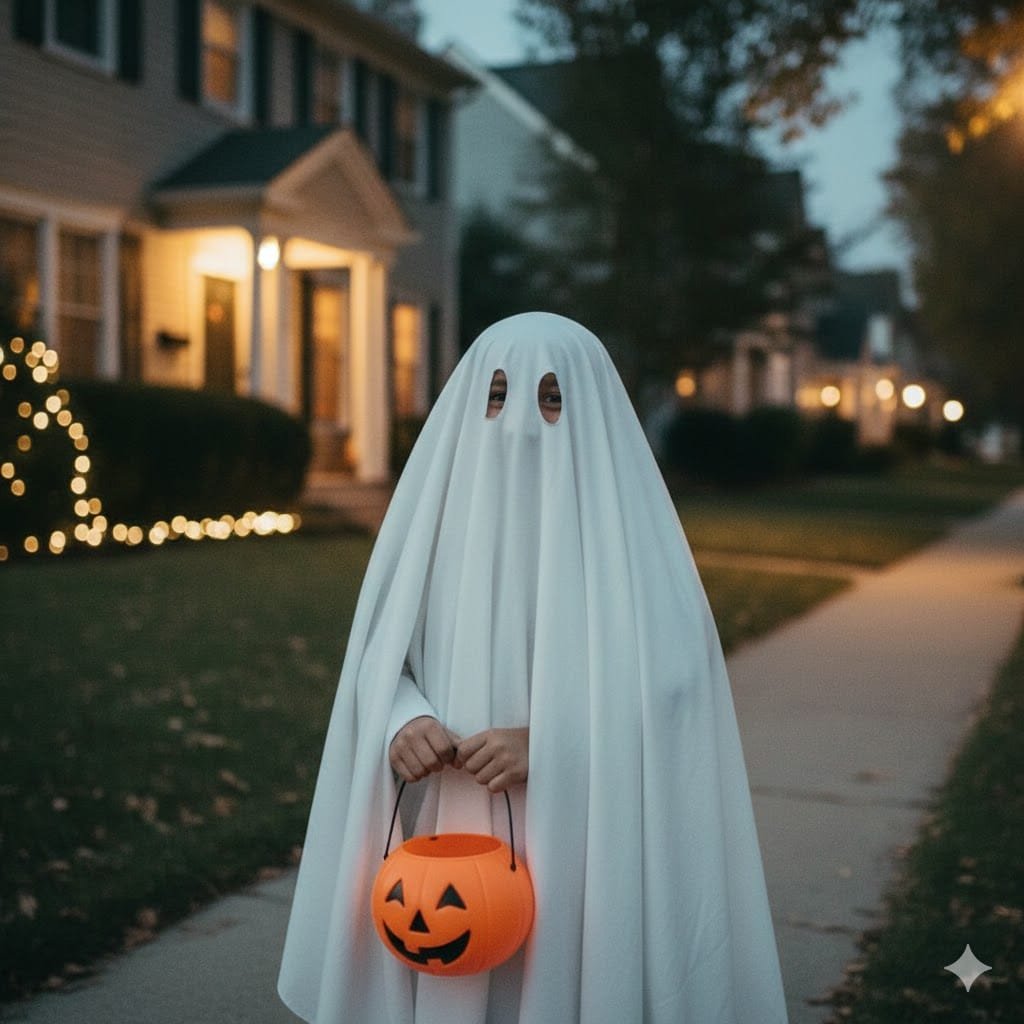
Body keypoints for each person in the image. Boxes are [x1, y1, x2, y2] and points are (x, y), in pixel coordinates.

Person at [278, 312, 788, 1024]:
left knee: (571, 974)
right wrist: (403, 718)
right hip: (450, 818)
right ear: (465, 404)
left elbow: (677, 687)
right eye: (496, 394)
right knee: (462, 974)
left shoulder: (630, 535)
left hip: (587, 821)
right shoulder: (431, 522)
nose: (518, 421)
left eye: (551, 398)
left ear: (592, 409)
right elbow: (380, 655)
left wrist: (551, 739)